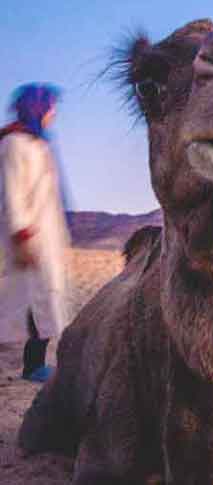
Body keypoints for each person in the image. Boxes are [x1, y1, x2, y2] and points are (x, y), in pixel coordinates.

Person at [0, 83, 70, 382]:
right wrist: (22, 235)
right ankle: (33, 366)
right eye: (51, 107)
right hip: (28, 238)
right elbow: (12, 193)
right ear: (37, 108)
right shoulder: (13, 144)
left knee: (39, 301)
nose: (54, 113)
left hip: (45, 237)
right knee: (30, 303)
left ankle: (34, 365)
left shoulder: (37, 144)